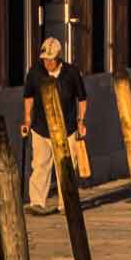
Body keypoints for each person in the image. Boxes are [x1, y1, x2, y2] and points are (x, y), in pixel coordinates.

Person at [20, 37, 86, 216]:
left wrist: (81, 121)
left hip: (67, 128)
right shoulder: (35, 72)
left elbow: (82, 99)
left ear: (59, 58)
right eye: (45, 59)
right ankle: (37, 202)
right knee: (40, 164)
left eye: (51, 59)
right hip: (41, 127)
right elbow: (29, 96)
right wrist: (27, 120)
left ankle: (66, 204)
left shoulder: (71, 73)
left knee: (65, 166)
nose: (48, 63)